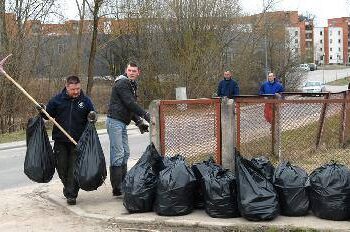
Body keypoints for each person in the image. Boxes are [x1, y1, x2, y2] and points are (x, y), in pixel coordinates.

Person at [38, 75, 97, 205]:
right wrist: (42, 110)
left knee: (73, 169)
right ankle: (68, 187)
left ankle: (72, 194)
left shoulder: (86, 101)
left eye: (78, 89)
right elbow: (47, 115)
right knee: (62, 167)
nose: (76, 92)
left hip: (78, 142)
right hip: (61, 141)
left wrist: (93, 117)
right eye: (73, 89)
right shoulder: (57, 100)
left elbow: (93, 115)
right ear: (67, 87)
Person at [106, 62, 150, 196]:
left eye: (134, 71)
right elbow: (130, 103)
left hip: (121, 122)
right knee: (118, 153)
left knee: (125, 153)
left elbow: (128, 106)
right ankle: (117, 188)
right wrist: (145, 115)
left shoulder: (131, 84)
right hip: (114, 122)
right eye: (129, 70)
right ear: (126, 70)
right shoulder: (122, 83)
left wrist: (138, 121)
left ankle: (123, 184)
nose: (131, 72)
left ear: (138, 73)